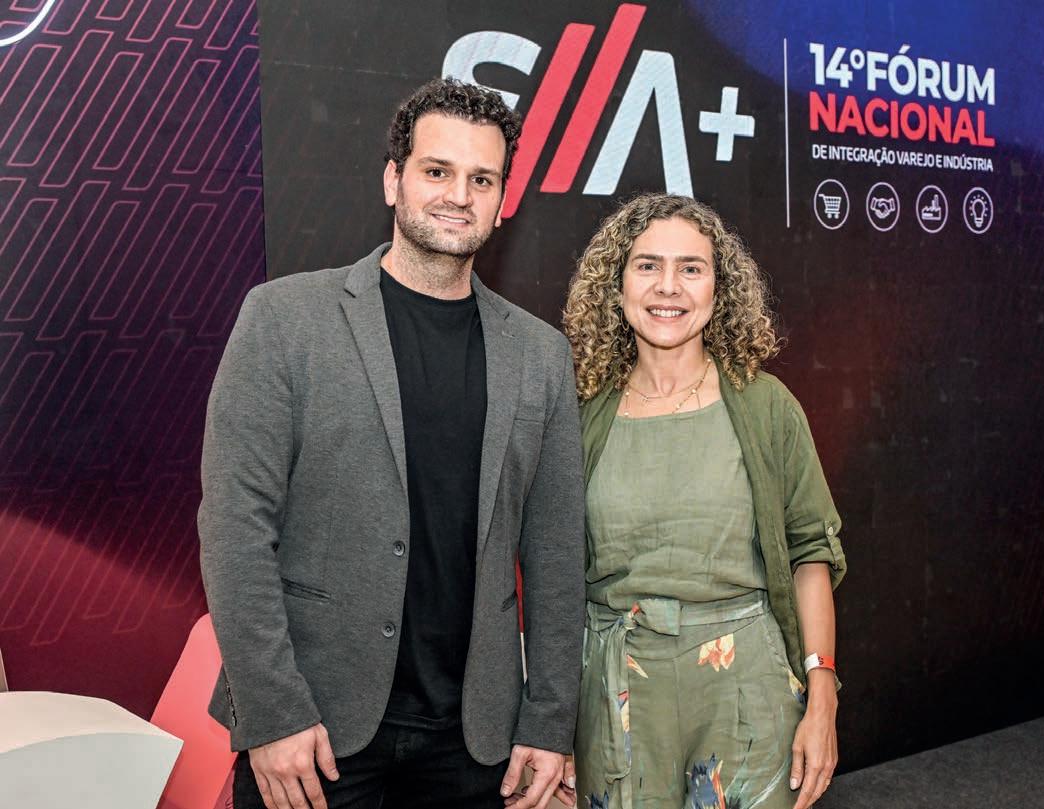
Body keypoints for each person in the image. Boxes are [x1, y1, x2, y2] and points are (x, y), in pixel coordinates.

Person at [199, 78, 585, 809]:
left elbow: (558, 553)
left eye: (482, 179)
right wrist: (273, 712)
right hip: (314, 734)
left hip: (477, 744)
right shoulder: (284, 319)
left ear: (503, 200)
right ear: (393, 180)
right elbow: (234, 529)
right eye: (437, 171)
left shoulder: (541, 355)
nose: (458, 196)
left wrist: (550, 718)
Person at [557, 194, 846, 809]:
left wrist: (822, 696)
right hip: (617, 693)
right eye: (647, 266)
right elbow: (551, 576)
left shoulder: (766, 407)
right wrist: (552, 729)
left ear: (720, 289)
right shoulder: (578, 415)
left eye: (691, 268)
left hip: (747, 692)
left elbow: (809, 555)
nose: (669, 287)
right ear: (617, 285)